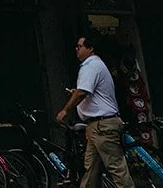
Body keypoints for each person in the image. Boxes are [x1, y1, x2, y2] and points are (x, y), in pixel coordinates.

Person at [57, 34, 135, 188]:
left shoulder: (90, 66)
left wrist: (65, 110)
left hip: (102, 126)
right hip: (96, 127)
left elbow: (82, 92)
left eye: (80, 46)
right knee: (91, 169)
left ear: (90, 49)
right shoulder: (96, 65)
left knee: (116, 167)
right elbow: (88, 93)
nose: (76, 49)